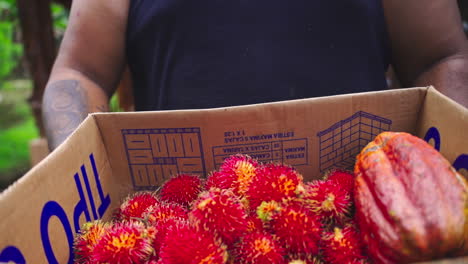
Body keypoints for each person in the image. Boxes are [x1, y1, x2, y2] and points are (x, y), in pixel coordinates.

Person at [42, 0, 468, 150]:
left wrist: (448, 174)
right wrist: (78, 171)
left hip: (362, 221)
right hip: (174, 225)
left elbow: (443, 58)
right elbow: (80, 72)